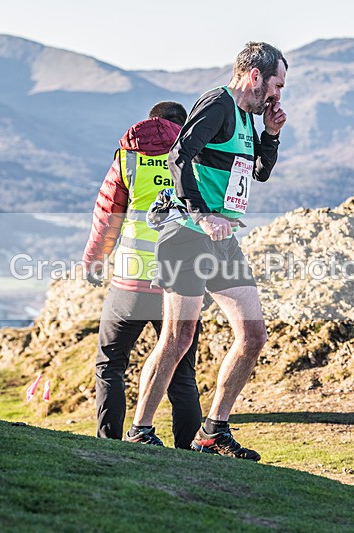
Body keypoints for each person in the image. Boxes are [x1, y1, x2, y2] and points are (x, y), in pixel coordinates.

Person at [127, 41, 288, 461]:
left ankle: (213, 431)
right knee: (178, 338)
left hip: (222, 239)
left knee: (253, 336)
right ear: (254, 76)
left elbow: (260, 173)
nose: (277, 96)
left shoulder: (246, 117)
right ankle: (140, 430)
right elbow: (179, 156)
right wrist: (200, 214)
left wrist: (270, 135)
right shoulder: (217, 103)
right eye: (276, 85)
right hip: (186, 234)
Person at [81, 101, 203, 449]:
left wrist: (94, 260)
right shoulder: (197, 158)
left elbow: (107, 217)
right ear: (185, 126)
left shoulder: (127, 159)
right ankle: (188, 452)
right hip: (181, 282)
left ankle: (109, 445)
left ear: (151, 121)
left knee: (110, 365)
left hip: (131, 283)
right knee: (182, 374)